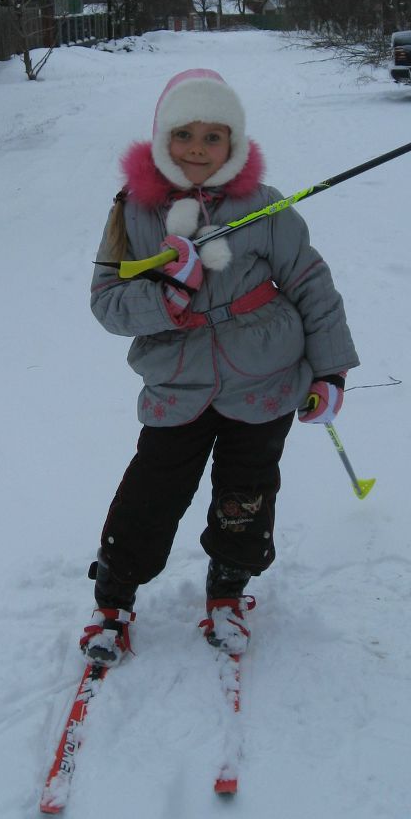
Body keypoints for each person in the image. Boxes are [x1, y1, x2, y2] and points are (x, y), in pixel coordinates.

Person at [83, 68, 358, 666]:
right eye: (184, 134)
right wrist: (168, 296)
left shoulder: (263, 206)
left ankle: (229, 592)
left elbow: (311, 284)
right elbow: (106, 302)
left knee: (247, 495)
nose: (198, 149)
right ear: (161, 139)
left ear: (234, 144)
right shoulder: (132, 212)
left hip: (265, 380)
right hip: (178, 384)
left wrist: (330, 371)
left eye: (214, 136)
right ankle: (114, 599)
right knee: (150, 495)